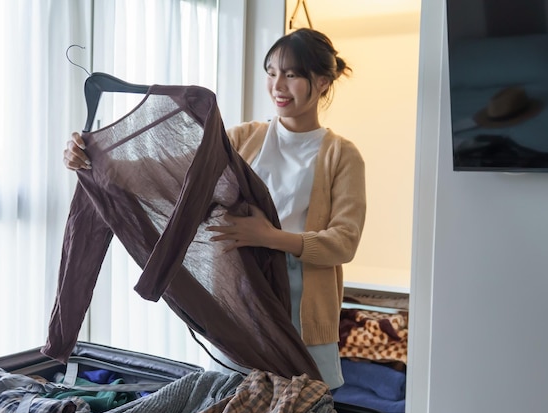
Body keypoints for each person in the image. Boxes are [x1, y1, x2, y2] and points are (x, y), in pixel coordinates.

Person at [62, 28, 366, 390]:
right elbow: (165, 170)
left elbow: (343, 242)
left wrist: (270, 237)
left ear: (322, 83)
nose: (278, 85)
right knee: (231, 401)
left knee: (303, 407)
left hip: (305, 317)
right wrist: (93, 157)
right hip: (240, 308)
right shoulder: (241, 139)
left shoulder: (341, 154)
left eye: (292, 74)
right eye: (271, 72)